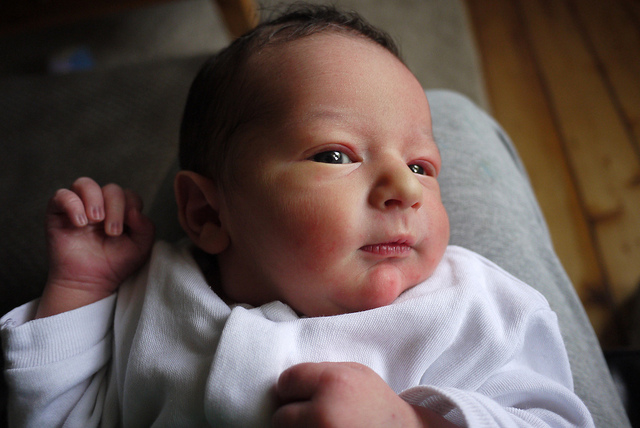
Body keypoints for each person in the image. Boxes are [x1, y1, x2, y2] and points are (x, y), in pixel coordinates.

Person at [1, 4, 595, 427]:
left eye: (422, 165)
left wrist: (412, 423)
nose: (404, 189)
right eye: (335, 155)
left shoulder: (478, 308)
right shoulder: (153, 295)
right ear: (206, 212)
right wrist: (79, 290)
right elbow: (61, 416)